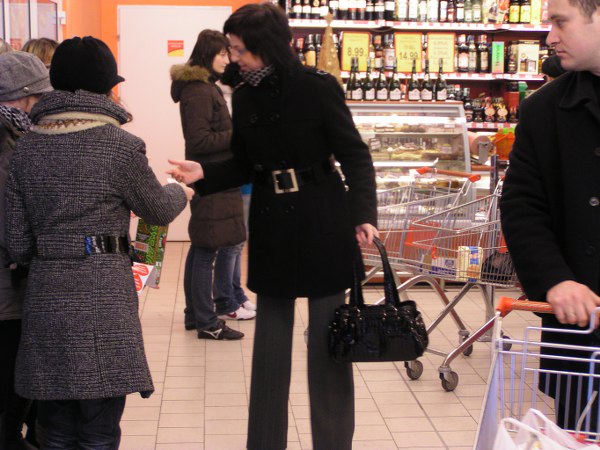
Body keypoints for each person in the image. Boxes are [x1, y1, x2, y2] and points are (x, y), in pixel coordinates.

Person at [168, 4, 378, 449]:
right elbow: (245, 163)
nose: (234, 58)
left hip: (323, 219)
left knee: (329, 345)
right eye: (231, 49)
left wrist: (363, 214)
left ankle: (333, 444)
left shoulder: (318, 88)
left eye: (240, 50)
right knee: (269, 352)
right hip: (271, 224)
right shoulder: (245, 95)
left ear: (266, 47)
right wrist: (204, 174)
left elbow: (355, 156)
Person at [5, 36, 192, 449]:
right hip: (104, 294)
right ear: (107, 88)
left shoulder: (27, 147)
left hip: (46, 294)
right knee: (99, 427)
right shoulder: (120, 146)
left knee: (54, 426)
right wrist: (181, 190)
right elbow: (158, 209)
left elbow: (17, 242)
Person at [499, 0, 600, 433]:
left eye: (560, 22)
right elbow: (521, 204)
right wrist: (556, 279)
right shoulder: (544, 110)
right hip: (580, 337)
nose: (549, 37)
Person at [171, 30, 254, 342]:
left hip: (214, 177)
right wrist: (239, 135)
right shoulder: (199, 91)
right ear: (207, 54)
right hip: (210, 178)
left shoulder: (205, 88)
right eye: (221, 53)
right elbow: (199, 140)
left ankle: (196, 315)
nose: (227, 59)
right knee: (206, 249)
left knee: (202, 247)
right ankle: (207, 321)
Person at [0, 51, 52, 450]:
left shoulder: (15, 136)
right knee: (11, 381)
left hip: (12, 281)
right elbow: (10, 220)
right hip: (7, 284)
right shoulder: (9, 144)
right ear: (22, 98)